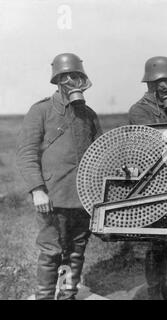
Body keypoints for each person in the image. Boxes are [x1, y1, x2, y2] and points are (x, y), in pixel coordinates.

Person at [16, 53, 102, 300]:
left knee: (75, 251)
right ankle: (44, 297)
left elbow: (99, 152)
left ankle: (67, 295)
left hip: (83, 198)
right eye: (67, 76)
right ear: (57, 79)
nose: (73, 81)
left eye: (78, 76)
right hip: (52, 197)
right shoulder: (41, 110)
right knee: (51, 251)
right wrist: (37, 189)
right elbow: (26, 154)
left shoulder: (88, 114)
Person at [127, 56, 167, 300]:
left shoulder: (166, 109)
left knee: (163, 240)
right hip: (150, 182)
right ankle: (153, 291)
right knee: (153, 240)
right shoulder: (140, 110)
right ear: (151, 84)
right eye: (163, 82)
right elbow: (154, 143)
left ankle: (161, 285)